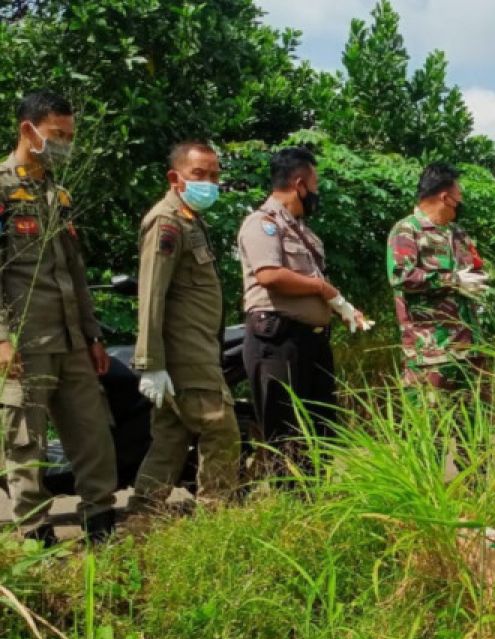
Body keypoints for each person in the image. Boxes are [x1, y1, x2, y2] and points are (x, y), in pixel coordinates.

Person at [0, 90, 117, 544]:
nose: (66, 144)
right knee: (25, 443)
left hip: (71, 340)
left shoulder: (58, 194)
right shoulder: (3, 189)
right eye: (58, 135)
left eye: (70, 136)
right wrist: (3, 339)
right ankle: (35, 535)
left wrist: (92, 334)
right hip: (24, 341)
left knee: (93, 435)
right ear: (29, 130)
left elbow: (75, 272)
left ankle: (101, 522)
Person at [127, 141, 239, 516]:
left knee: (171, 438)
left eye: (214, 175)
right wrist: (150, 362)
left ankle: (142, 518)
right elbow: (151, 292)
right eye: (199, 174)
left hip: (196, 348)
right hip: (184, 351)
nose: (209, 182)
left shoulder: (190, 219)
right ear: (175, 178)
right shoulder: (167, 222)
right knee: (220, 429)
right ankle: (215, 516)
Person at [237, 147, 368, 463]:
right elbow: (269, 275)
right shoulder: (262, 224)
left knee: (321, 430)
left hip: (312, 341)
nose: (316, 192)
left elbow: (311, 285)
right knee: (287, 434)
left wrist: (343, 306)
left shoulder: (303, 232)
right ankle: (291, 506)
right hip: (279, 340)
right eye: (315, 184)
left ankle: (319, 504)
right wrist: (324, 289)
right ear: (299, 184)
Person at [387, 162, 488, 396]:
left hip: (470, 351)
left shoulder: (458, 234)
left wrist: (479, 280)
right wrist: (453, 280)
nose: (460, 205)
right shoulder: (407, 230)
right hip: (431, 354)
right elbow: (401, 276)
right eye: (458, 198)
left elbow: (475, 267)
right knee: (432, 428)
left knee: (475, 427)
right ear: (445, 197)